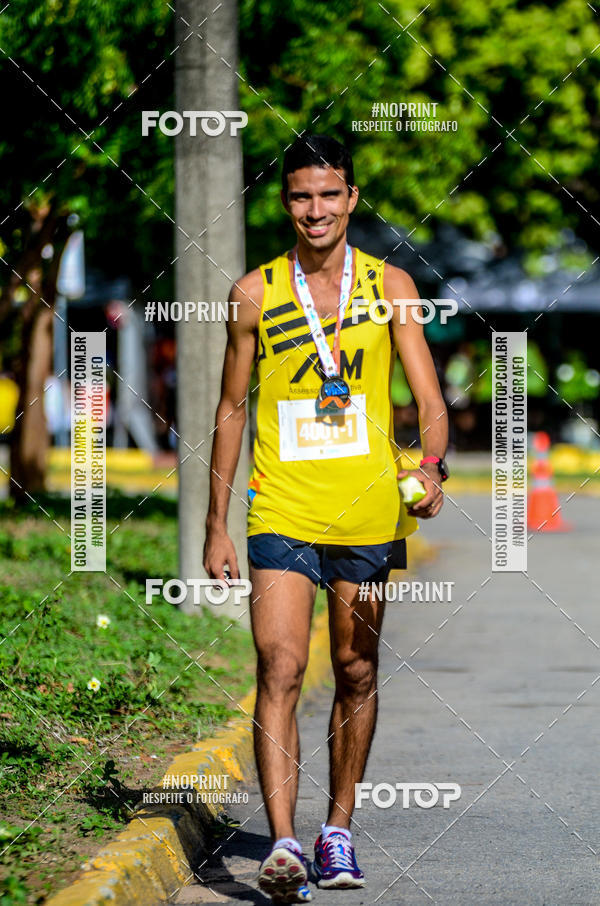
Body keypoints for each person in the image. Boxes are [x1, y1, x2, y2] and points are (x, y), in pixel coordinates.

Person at [203, 134, 448, 903]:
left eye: (329, 194)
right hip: (281, 506)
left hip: (369, 511)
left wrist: (430, 467)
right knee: (278, 665)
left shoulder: (392, 285)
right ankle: (282, 842)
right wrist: (216, 523)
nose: (316, 209)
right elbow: (231, 407)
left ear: (351, 198)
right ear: (286, 204)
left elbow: (429, 399)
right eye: (302, 196)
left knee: (355, 668)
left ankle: (336, 830)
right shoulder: (253, 293)